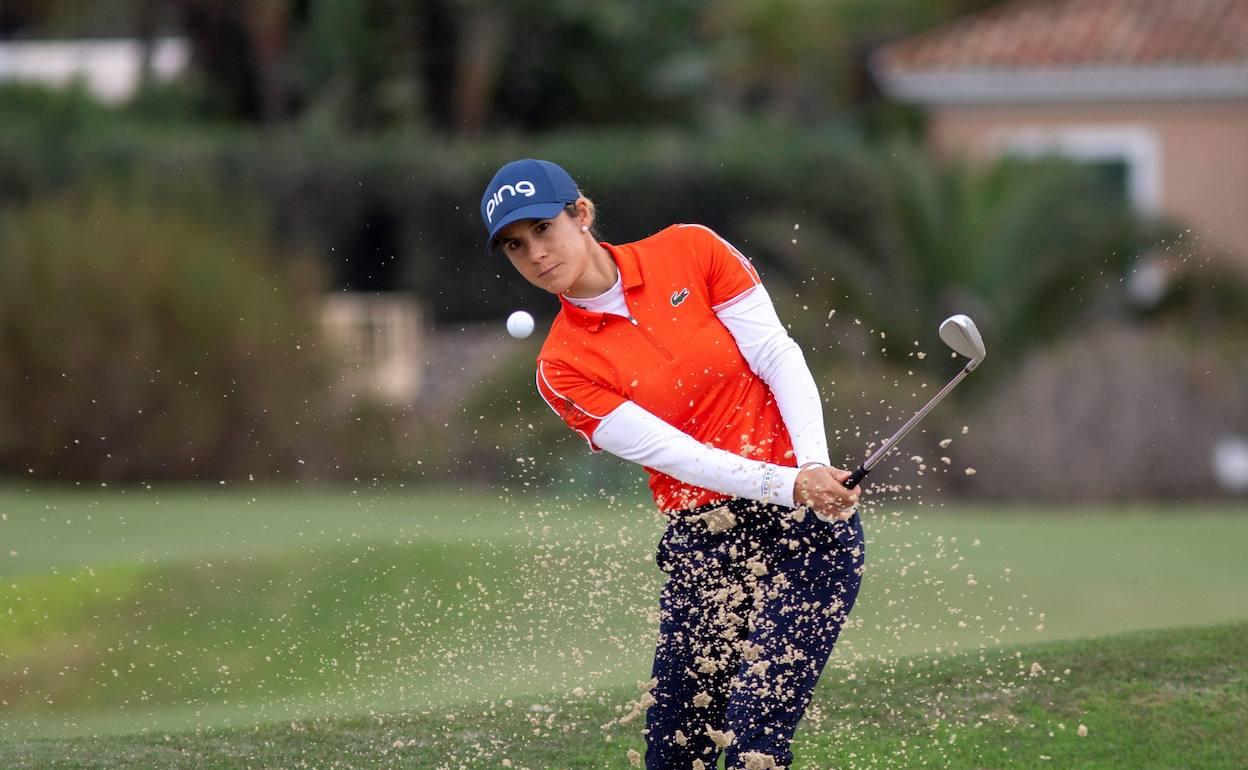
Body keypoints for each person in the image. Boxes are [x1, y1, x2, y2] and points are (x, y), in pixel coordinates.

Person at [480, 158, 865, 770]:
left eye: (543, 230)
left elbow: (776, 355)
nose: (534, 255)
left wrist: (813, 465)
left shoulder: (691, 249)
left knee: (754, 748)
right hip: (707, 543)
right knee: (675, 753)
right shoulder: (561, 366)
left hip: (809, 538)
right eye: (514, 246)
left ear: (581, 214)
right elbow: (677, 456)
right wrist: (790, 482)